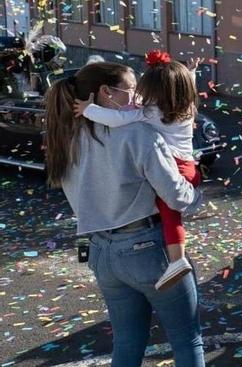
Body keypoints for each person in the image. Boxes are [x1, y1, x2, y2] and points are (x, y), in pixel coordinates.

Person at [44, 62, 204, 366]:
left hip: (100, 251)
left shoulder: (65, 135)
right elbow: (177, 197)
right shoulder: (139, 134)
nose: (139, 98)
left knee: (127, 342)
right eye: (131, 90)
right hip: (147, 249)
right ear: (107, 92)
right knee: (187, 339)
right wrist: (198, 191)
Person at [73, 50, 202, 290]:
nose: (137, 97)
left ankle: (177, 259)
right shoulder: (185, 107)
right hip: (185, 167)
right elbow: (178, 197)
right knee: (171, 210)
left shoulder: (145, 115)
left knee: (168, 211)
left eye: (141, 90)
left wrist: (88, 110)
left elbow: (115, 118)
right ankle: (178, 259)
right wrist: (191, 74)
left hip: (102, 243)